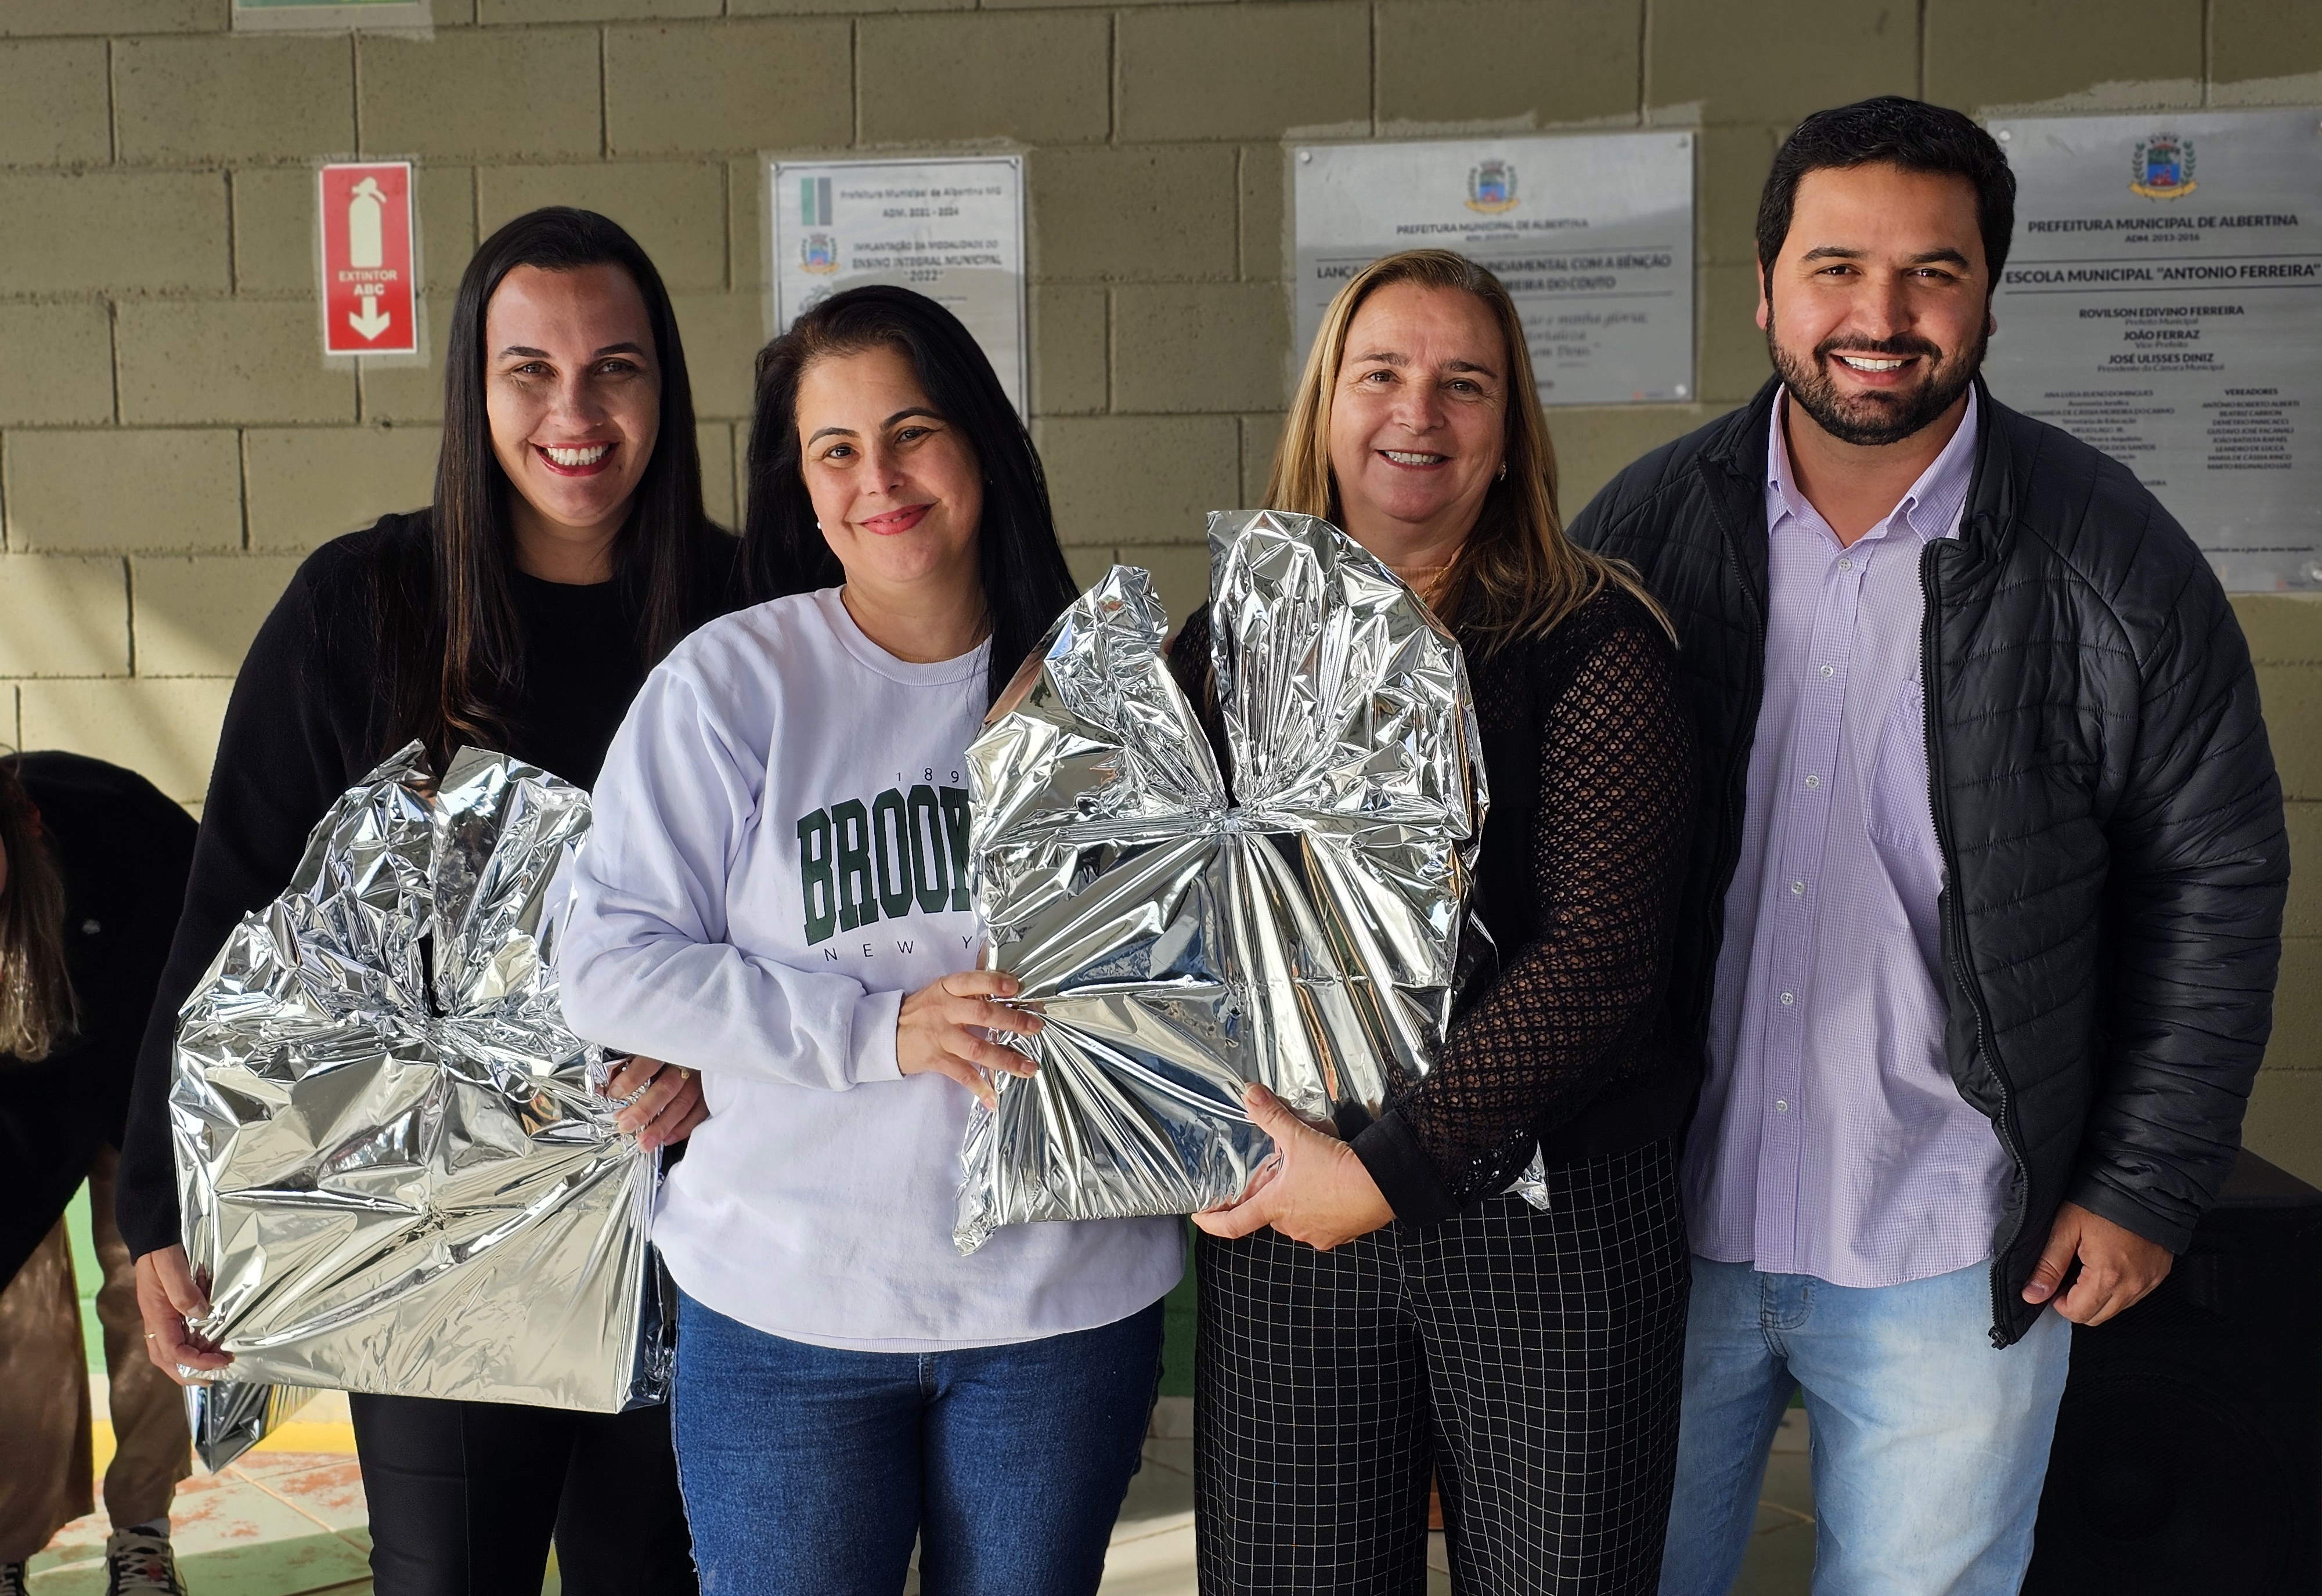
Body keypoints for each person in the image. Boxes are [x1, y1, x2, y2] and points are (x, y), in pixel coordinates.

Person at [1559, 98, 2290, 1596]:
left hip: (1956, 1234)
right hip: (1661, 1223)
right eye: (1835, 268)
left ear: (1989, 296)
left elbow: (2214, 879)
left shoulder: (2112, 559)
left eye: (1931, 274)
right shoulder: (1646, 532)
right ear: (1765, 289)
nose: (1878, 318)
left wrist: (2146, 1179)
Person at [117, 207, 742, 1596]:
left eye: (616, 369)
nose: (575, 414)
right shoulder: (366, 608)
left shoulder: (748, 609)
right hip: (439, 1234)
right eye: (531, 372)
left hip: (705, 1222)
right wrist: (157, 1201)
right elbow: (234, 900)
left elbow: (822, 923)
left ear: (666, 388)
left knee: (657, 1573)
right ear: (473, 389)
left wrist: (730, 1047)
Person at [556, 284, 1184, 1596]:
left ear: (981, 443)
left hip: (1058, 1310)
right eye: (834, 449)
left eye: (909, 432)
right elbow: (607, 960)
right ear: (799, 481)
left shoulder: (1109, 681)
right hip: (786, 1309)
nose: (877, 479)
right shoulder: (732, 685)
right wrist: (872, 1029)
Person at [1176, 248, 1696, 1594]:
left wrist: (1389, 1168)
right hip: (1298, 1217)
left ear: (1509, 430)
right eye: (1382, 376)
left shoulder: (1588, 637)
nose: (1418, 414)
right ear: (1325, 407)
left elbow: (1599, 958)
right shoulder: (1228, 641)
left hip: (1551, 1228)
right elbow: (1145, 918)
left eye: (1463, 384)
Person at [0, 753, 196, 1596]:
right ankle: (3, 1539)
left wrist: (158, 1201)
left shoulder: (130, 832)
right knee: (17, 1302)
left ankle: (143, 1534)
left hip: (143, 1063)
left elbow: (197, 995)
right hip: (17, 1083)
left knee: (149, 1285)